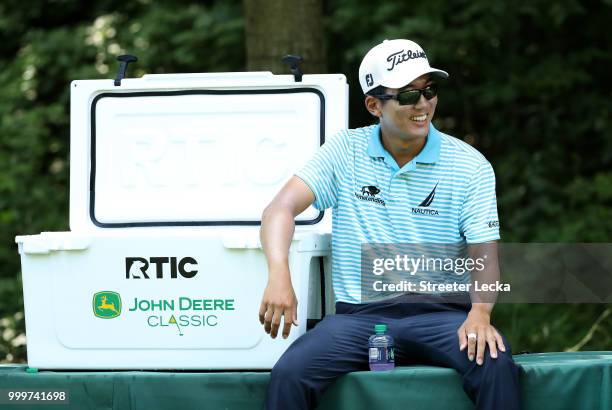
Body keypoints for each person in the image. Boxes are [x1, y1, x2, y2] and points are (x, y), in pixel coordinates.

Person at [258, 39, 520, 410]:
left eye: (429, 90)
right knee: (289, 373)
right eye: (409, 95)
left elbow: (484, 252)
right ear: (373, 105)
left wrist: (480, 313)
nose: (424, 104)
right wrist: (278, 272)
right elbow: (279, 210)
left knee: (494, 361)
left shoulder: (470, 165)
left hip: (442, 315)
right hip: (359, 318)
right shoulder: (343, 151)